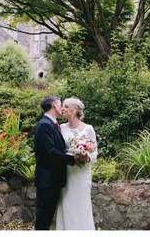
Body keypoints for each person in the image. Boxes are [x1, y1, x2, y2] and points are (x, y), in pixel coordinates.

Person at [33, 94, 86, 230]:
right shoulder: (44, 124)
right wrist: (71, 158)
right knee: (43, 218)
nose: (62, 107)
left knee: (47, 217)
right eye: (60, 104)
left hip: (53, 180)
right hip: (47, 180)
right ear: (54, 105)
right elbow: (50, 151)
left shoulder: (54, 124)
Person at [56, 97, 98, 230]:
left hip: (81, 172)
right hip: (67, 172)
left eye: (66, 107)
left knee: (81, 204)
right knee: (67, 204)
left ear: (74, 111)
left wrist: (86, 157)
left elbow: (94, 152)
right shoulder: (61, 128)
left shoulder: (88, 129)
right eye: (63, 106)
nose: (63, 109)